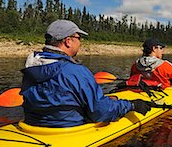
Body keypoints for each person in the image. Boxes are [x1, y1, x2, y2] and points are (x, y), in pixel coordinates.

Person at [21, 19, 150, 127]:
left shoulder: (32, 66)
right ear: (68, 41)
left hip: (33, 125)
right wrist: (130, 105)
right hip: (67, 129)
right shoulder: (76, 71)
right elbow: (101, 112)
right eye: (79, 37)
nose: (80, 42)